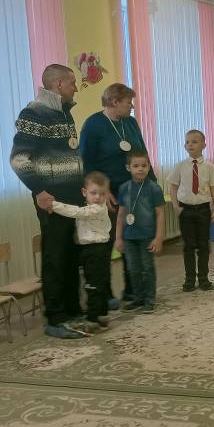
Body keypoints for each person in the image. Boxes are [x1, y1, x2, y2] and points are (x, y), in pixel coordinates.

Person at [10, 63, 86, 340]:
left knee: (72, 254)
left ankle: (73, 310)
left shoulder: (64, 113)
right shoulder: (34, 113)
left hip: (72, 197)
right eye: (72, 83)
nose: (75, 88)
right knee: (55, 257)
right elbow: (19, 159)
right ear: (59, 84)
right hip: (50, 198)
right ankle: (55, 318)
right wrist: (39, 190)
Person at [79, 83, 155, 307]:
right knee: (106, 244)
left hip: (134, 193)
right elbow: (87, 164)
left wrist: (151, 186)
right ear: (114, 102)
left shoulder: (130, 122)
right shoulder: (93, 125)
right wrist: (104, 192)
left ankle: (134, 291)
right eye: (128, 102)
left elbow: (142, 154)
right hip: (108, 196)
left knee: (133, 242)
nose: (132, 106)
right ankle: (105, 294)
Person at [49, 171, 113, 330]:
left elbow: (76, 212)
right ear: (84, 192)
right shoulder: (91, 206)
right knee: (98, 282)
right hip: (90, 249)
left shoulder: (97, 209)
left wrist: (54, 205)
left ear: (106, 194)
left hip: (96, 250)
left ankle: (92, 318)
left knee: (93, 285)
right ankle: (102, 314)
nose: (97, 197)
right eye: (93, 193)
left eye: (102, 194)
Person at [168, 129, 214, 292]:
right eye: (187, 142)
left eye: (194, 141)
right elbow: (172, 186)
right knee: (188, 245)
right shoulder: (180, 166)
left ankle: (203, 278)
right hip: (186, 210)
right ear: (184, 146)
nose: (190, 144)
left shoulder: (210, 167)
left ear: (204, 145)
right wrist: (176, 206)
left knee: (203, 244)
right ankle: (189, 279)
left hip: (203, 209)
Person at [113, 151, 165, 312]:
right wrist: (118, 238)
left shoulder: (154, 188)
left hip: (147, 236)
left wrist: (159, 237)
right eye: (136, 166)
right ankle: (138, 298)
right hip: (129, 237)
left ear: (149, 167)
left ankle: (149, 299)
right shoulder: (124, 188)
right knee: (133, 269)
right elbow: (121, 214)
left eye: (144, 165)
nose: (140, 169)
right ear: (128, 168)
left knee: (147, 267)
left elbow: (160, 214)